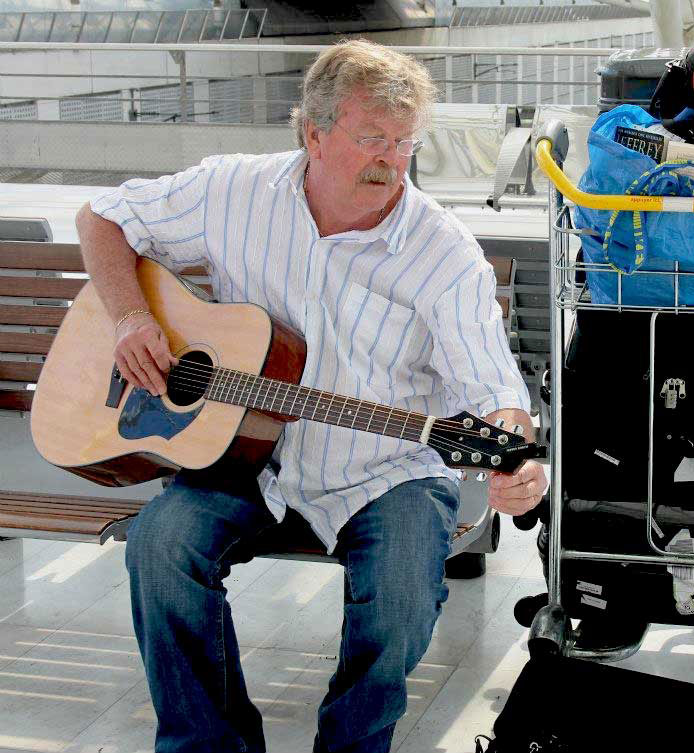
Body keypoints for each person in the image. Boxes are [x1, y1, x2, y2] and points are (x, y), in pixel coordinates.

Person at [75, 40, 546, 753]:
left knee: (398, 602)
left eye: (404, 141)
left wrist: (516, 456)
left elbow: (493, 390)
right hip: (245, 456)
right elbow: (104, 218)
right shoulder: (233, 189)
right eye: (371, 139)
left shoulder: (443, 252)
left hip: (387, 469)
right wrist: (132, 317)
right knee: (160, 547)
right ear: (314, 133)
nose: (392, 160)